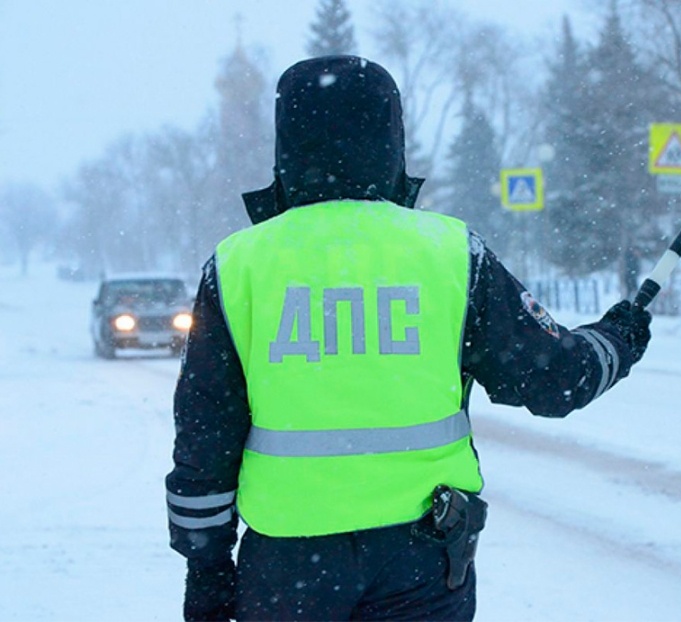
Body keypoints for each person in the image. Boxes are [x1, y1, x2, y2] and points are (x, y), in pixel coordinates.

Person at [165, 55, 651, 622]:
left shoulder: (238, 264)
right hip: (421, 558)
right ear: (391, 137)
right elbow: (555, 380)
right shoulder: (449, 252)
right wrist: (618, 337)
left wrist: (207, 569)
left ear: (287, 142)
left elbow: (204, 431)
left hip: (288, 565)